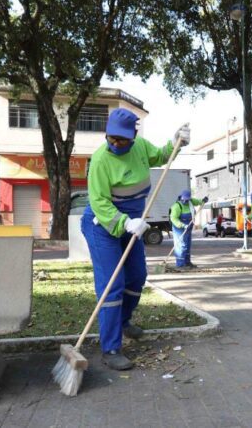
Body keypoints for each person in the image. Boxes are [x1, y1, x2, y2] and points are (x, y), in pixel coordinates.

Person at [81, 108, 189, 370]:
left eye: (122, 140)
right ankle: (111, 347)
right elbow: (98, 202)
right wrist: (125, 222)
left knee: (137, 276)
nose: (116, 144)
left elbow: (162, 156)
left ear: (133, 136)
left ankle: (124, 321)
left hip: (134, 225)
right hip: (102, 225)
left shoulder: (140, 147)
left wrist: (177, 142)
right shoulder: (100, 161)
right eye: (112, 138)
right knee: (112, 285)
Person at [170, 190, 207, 269]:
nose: (185, 201)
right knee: (181, 245)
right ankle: (180, 265)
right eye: (184, 199)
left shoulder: (191, 201)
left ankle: (187, 263)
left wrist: (203, 201)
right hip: (179, 228)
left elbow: (198, 202)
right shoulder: (177, 206)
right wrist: (182, 225)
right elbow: (173, 218)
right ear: (181, 197)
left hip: (188, 227)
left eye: (187, 199)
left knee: (187, 245)